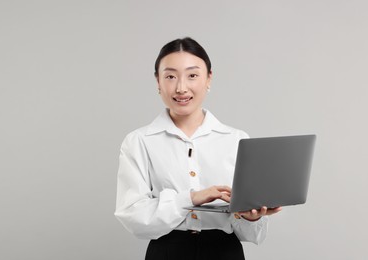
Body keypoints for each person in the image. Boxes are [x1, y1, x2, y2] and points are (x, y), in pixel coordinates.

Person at [114, 37, 282, 260]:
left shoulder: (236, 139)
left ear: (209, 78)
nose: (181, 88)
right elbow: (133, 217)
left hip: (225, 252)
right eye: (170, 76)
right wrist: (191, 198)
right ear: (158, 81)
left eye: (192, 75)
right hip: (166, 252)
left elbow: (251, 234)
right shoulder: (139, 141)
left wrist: (251, 218)